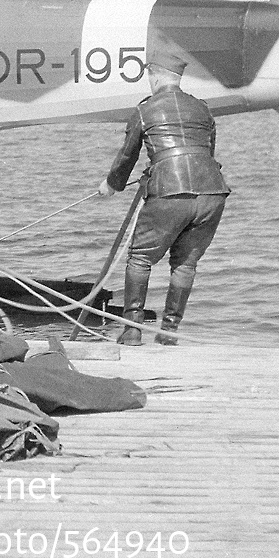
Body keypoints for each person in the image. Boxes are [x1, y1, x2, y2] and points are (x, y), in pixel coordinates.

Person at [97, 49, 230, 346]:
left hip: (170, 192)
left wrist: (110, 185)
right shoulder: (202, 108)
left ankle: (132, 330)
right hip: (212, 192)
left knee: (140, 259)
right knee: (185, 265)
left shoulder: (146, 109)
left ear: (155, 76)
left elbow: (126, 156)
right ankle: (169, 334)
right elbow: (206, 152)